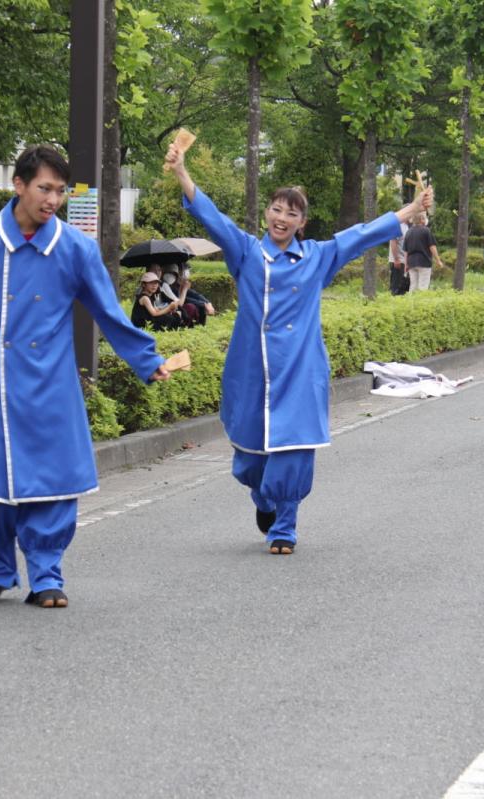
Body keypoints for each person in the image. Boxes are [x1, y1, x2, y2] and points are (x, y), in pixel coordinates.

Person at [0, 144, 170, 609]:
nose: (53, 200)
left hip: (52, 383)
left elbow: (108, 311)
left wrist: (146, 360)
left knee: (52, 482)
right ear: (19, 185)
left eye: (60, 191)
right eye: (44, 188)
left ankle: (47, 574)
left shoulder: (76, 248)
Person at [165, 138, 432, 555]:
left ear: (302, 223)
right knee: (251, 459)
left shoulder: (317, 257)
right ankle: (264, 498)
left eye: (292, 213)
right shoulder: (246, 252)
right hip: (251, 370)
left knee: (293, 451)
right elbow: (213, 218)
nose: (282, 218)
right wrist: (182, 171)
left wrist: (410, 210)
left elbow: (361, 235)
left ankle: (285, 527)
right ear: (267, 214)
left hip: (300, 369)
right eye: (277, 209)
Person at [402, 211, 443, 292]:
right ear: (421, 219)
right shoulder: (426, 231)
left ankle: (411, 300)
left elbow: (406, 251)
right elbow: (432, 246)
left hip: (411, 263)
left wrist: (406, 264)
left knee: (413, 286)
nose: (425, 220)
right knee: (423, 286)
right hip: (424, 262)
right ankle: (421, 300)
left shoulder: (408, 232)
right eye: (424, 218)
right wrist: (438, 260)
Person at [388, 215, 410, 296]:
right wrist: (396, 259)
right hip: (398, 261)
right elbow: (393, 242)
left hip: (404, 260)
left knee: (403, 287)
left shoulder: (407, 226)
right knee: (396, 286)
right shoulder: (398, 226)